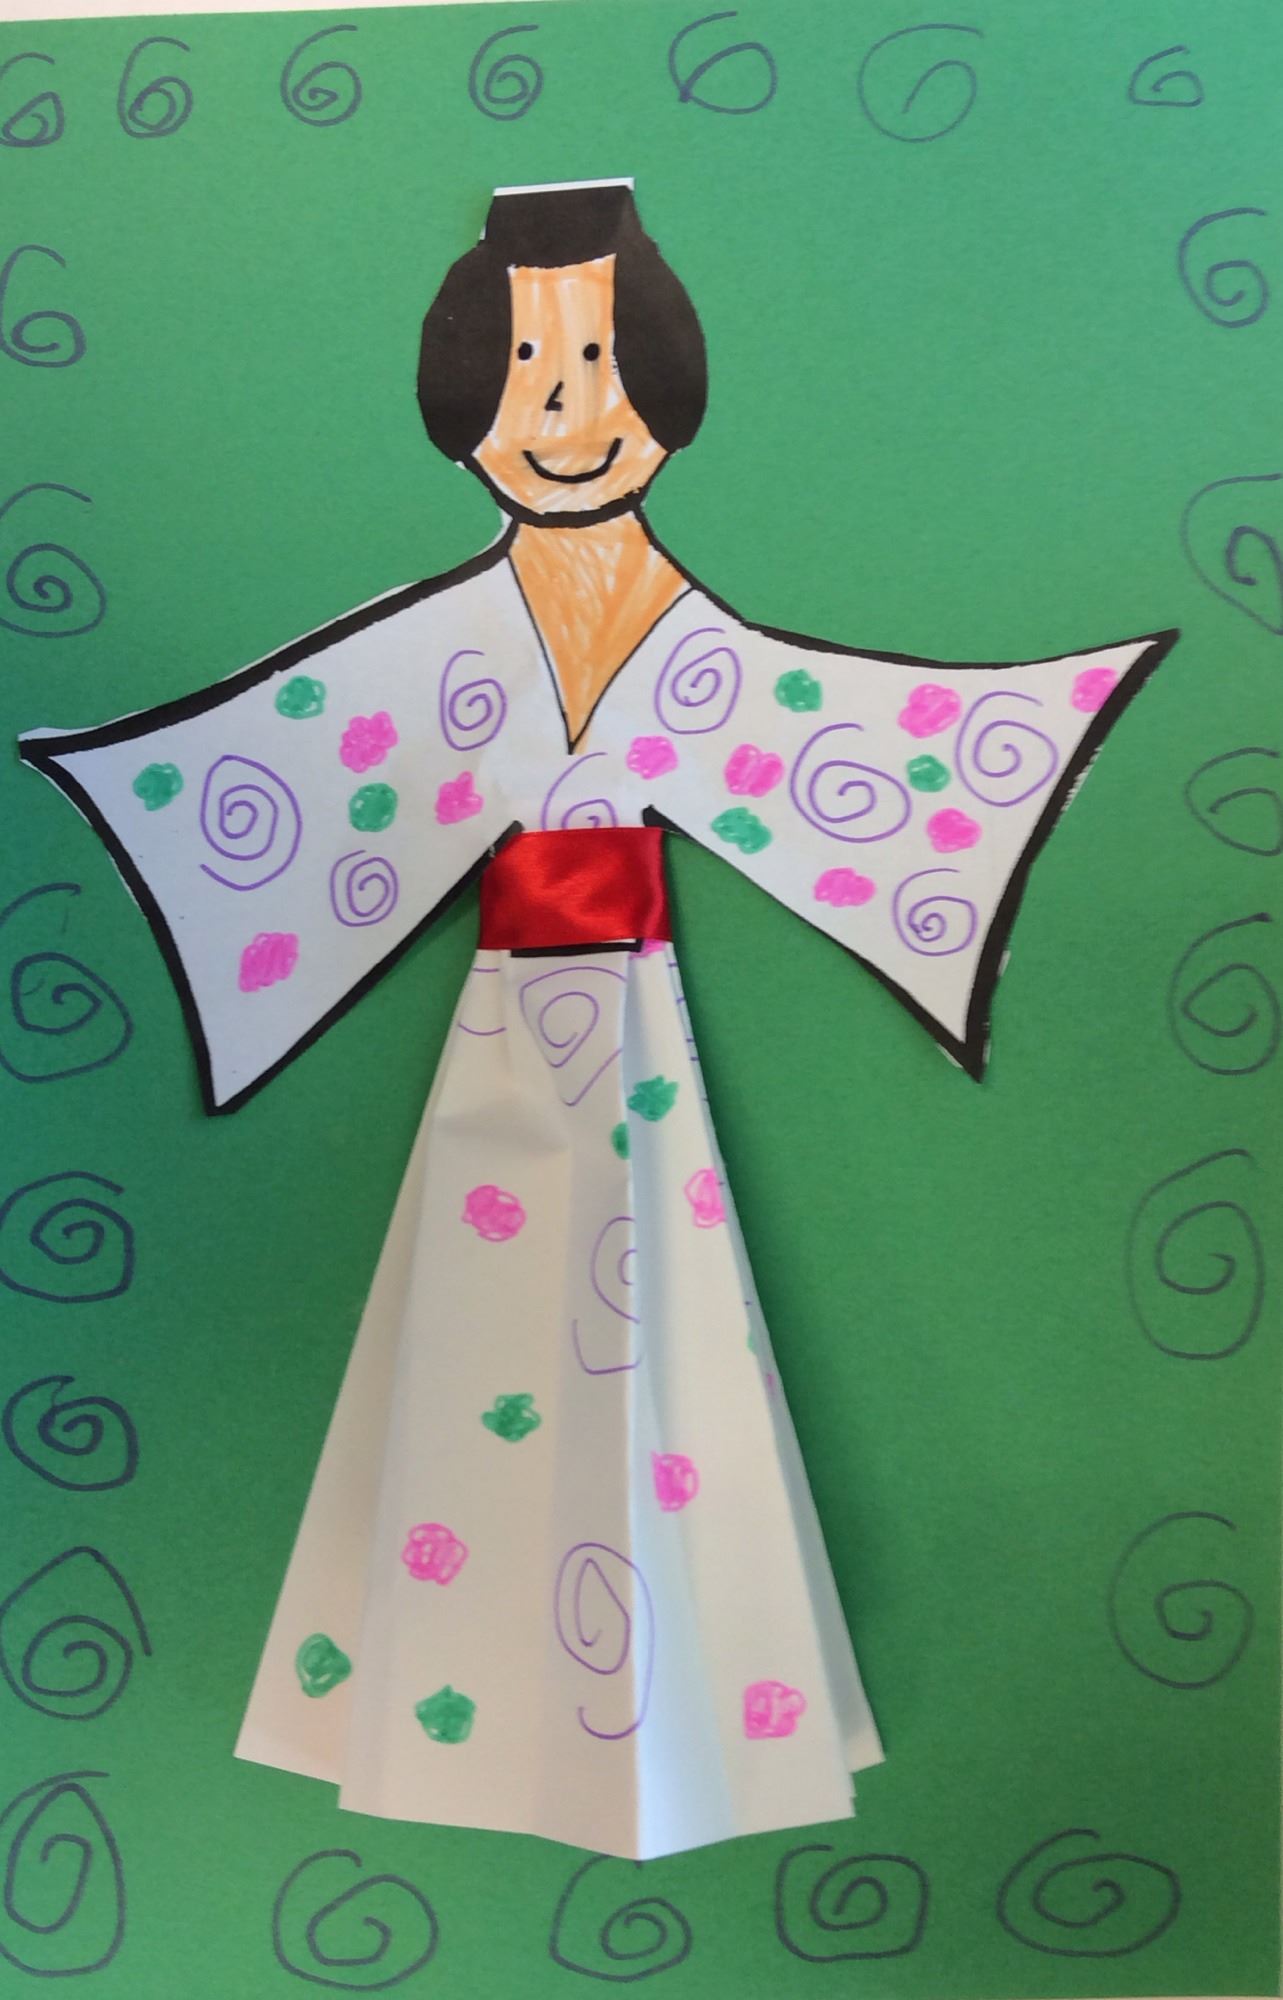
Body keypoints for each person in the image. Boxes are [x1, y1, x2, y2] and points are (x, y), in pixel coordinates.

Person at [19, 179, 1174, 1858]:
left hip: (636, 1050)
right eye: (526, 373)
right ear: (465, 408)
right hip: (506, 1042)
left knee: (666, 1351)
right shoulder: (448, 649)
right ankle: (464, 1691)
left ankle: (662, 1702)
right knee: (471, 1334)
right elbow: (278, 767)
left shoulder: (693, 654)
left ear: (669, 388)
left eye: (600, 365)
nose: (567, 418)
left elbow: (849, 745)